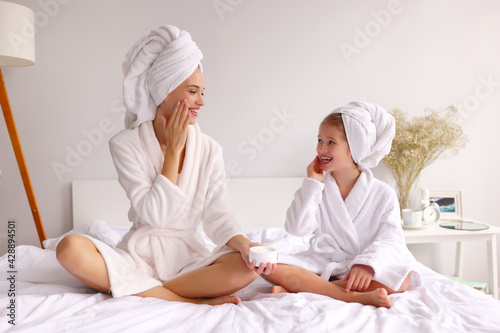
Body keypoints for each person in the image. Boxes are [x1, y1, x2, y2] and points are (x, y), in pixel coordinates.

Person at [56, 25, 275, 306]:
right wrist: (173, 152)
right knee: (70, 248)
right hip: (137, 259)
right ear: (165, 92)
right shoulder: (126, 144)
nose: (201, 102)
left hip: (188, 264)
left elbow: (218, 216)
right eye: (193, 91)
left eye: (202, 92)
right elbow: (155, 216)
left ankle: (147, 290)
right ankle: (188, 300)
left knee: (244, 267)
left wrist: (245, 245)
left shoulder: (209, 149)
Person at [263, 101, 421, 308]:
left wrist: (367, 265)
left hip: (363, 269)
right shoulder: (317, 186)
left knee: (403, 278)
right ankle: (343, 292)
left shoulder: (383, 193)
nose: (321, 148)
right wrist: (312, 184)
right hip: (324, 262)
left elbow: (391, 241)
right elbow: (296, 229)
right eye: (319, 140)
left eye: (331, 142)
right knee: (266, 264)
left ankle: (306, 286)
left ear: (355, 148)